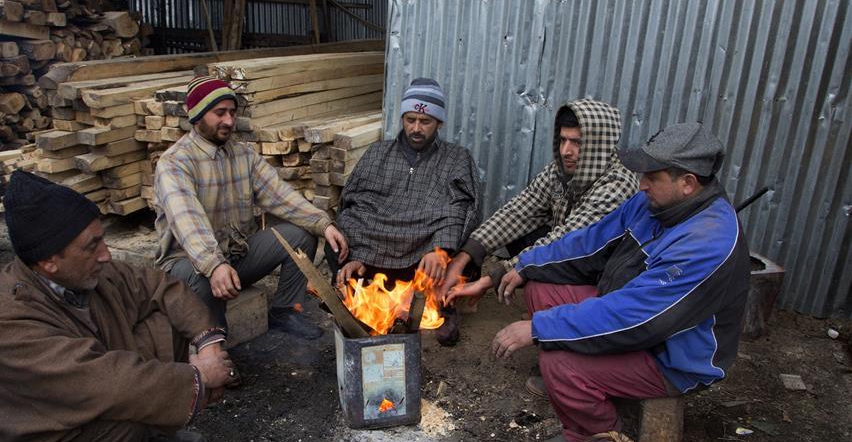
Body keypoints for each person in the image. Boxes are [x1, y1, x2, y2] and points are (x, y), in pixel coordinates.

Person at [448, 123, 750, 442]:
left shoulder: (706, 242)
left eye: (652, 176)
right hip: (629, 313)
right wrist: (523, 266)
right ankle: (576, 383)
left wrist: (539, 329)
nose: (642, 184)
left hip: (672, 355)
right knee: (541, 290)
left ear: (688, 183)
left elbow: (635, 320)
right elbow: (587, 244)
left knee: (561, 359)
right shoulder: (651, 205)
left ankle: (596, 439)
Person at [0, 171, 237, 442]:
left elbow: (161, 287)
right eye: (92, 245)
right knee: (121, 398)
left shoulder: (85, 275)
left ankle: (148, 435)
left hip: (95, 392)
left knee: (161, 321)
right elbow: (107, 384)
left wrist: (208, 343)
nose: (106, 254)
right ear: (50, 261)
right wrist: (199, 376)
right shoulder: (10, 324)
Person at [154, 76, 349, 340]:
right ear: (197, 115)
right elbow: (188, 221)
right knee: (201, 276)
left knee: (299, 235)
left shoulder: (243, 155)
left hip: (234, 258)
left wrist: (323, 224)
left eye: (232, 113)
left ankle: (286, 310)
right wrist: (214, 265)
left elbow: (281, 195)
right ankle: (214, 345)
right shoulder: (175, 163)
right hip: (186, 267)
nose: (229, 121)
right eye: (219, 113)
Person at [440, 99, 637, 301]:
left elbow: (568, 240)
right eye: (563, 140)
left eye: (577, 143)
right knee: (517, 231)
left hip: (598, 268)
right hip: (567, 248)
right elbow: (519, 210)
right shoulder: (559, 171)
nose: (565, 151)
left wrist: (492, 278)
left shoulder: (617, 185)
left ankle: (564, 309)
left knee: (538, 278)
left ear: (599, 145)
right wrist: (463, 257)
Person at [331, 78, 481, 344]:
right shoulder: (377, 153)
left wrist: (440, 250)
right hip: (375, 253)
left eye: (425, 122)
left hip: (424, 257)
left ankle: (439, 305)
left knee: (467, 249)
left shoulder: (457, 158)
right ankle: (375, 299)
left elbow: (461, 208)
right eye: (410, 119)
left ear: (439, 123)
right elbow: (353, 206)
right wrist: (358, 255)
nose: (416, 128)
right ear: (402, 117)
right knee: (337, 246)